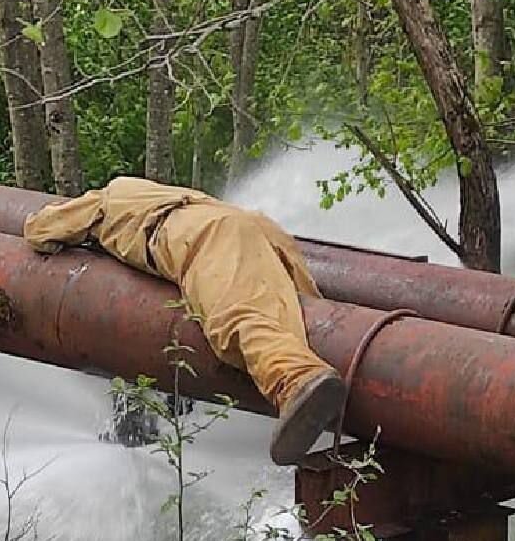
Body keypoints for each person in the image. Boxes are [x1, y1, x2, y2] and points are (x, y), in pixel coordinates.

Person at [23, 177, 345, 465]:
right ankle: (344, 404)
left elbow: (42, 228)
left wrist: (44, 226)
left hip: (198, 236)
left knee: (233, 319)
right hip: (255, 227)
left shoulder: (108, 198)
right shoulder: (162, 192)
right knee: (306, 315)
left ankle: (295, 381)